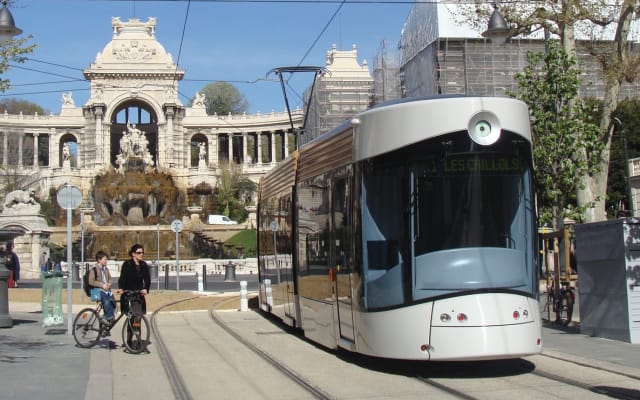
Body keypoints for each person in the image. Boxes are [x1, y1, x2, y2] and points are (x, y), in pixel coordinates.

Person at [118, 244, 151, 315]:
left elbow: (147, 279)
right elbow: (122, 278)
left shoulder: (143, 265)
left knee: (138, 316)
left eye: (142, 253)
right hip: (128, 294)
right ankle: (131, 325)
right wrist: (121, 288)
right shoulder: (127, 264)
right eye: (139, 253)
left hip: (138, 294)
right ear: (133, 254)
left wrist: (146, 289)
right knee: (132, 316)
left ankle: (136, 326)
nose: (141, 254)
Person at [88, 251, 116, 327]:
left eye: (106, 259)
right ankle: (108, 318)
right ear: (99, 260)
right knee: (106, 301)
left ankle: (105, 319)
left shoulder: (106, 269)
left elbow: (110, 278)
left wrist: (109, 283)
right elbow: (91, 281)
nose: (106, 261)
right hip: (98, 291)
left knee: (113, 303)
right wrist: (102, 285)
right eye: (104, 259)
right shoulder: (94, 269)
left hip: (107, 290)